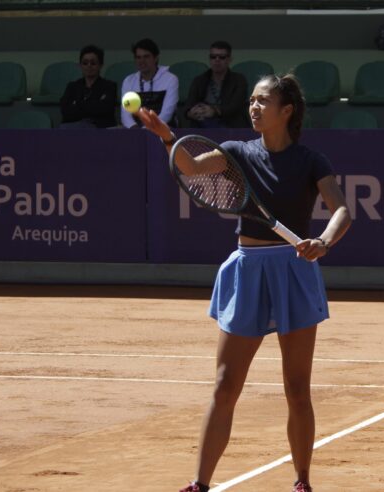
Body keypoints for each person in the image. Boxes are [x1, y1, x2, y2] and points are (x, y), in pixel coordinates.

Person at [137, 73, 351, 492]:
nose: (253, 107)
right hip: (248, 268)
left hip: (293, 269)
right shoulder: (235, 153)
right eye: (251, 100)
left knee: (296, 388)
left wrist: (323, 241)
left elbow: (340, 209)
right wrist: (167, 137)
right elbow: (191, 168)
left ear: (286, 111)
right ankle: (200, 483)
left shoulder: (311, 160)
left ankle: (302, 480)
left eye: (262, 101)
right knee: (226, 384)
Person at [182, 40, 249, 128]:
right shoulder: (199, 80)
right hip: (202, 124)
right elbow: (189, 104)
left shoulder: (239, 80)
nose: (217, 60)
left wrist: (214, 111)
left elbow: (235, 106)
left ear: (229, 60)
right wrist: (190, 113)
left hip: (230, 125)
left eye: (222, 57)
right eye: (213, 57)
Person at [121, 38, 178, 128]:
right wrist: (134, 129)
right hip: (135, 131)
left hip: (164, 131)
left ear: (156, 58)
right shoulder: (128, 81)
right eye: (138, 57)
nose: (141, 61)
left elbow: (167, 114)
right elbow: (125, 114)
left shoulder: (170, 79)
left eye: (146, 56)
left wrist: (146, 130)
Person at [59, 45, 117, 128]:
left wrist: (78, 104)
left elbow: (106, 110)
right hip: (74, 131)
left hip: (100, 131)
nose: (89, 66)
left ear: (100, 65)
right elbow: (65, 112)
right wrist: (94, 105)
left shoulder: (109, 86)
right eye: (85, 63)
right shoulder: (72, 87)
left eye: (93, 63)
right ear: (80, 65)